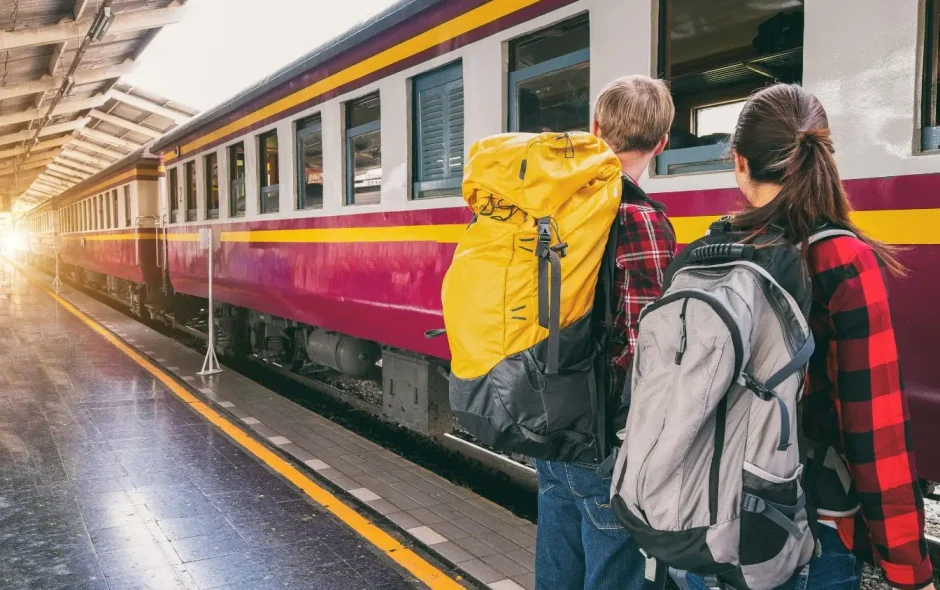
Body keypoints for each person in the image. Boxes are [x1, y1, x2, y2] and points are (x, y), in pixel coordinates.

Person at [686, 83, 935, 590]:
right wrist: (909, 571)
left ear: (738, 162)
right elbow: (874, 431)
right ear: (821, 154)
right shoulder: (839, 259)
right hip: (801, 536)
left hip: (704, 525)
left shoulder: (710, 251)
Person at [534, 75, 677, 590]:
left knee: (558, 562)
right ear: (662, 143)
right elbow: (647, 346)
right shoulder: (640, 217)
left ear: (595, 128)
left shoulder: (553, 207)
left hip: (551, 412)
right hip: (605, 430)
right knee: (613, 566)